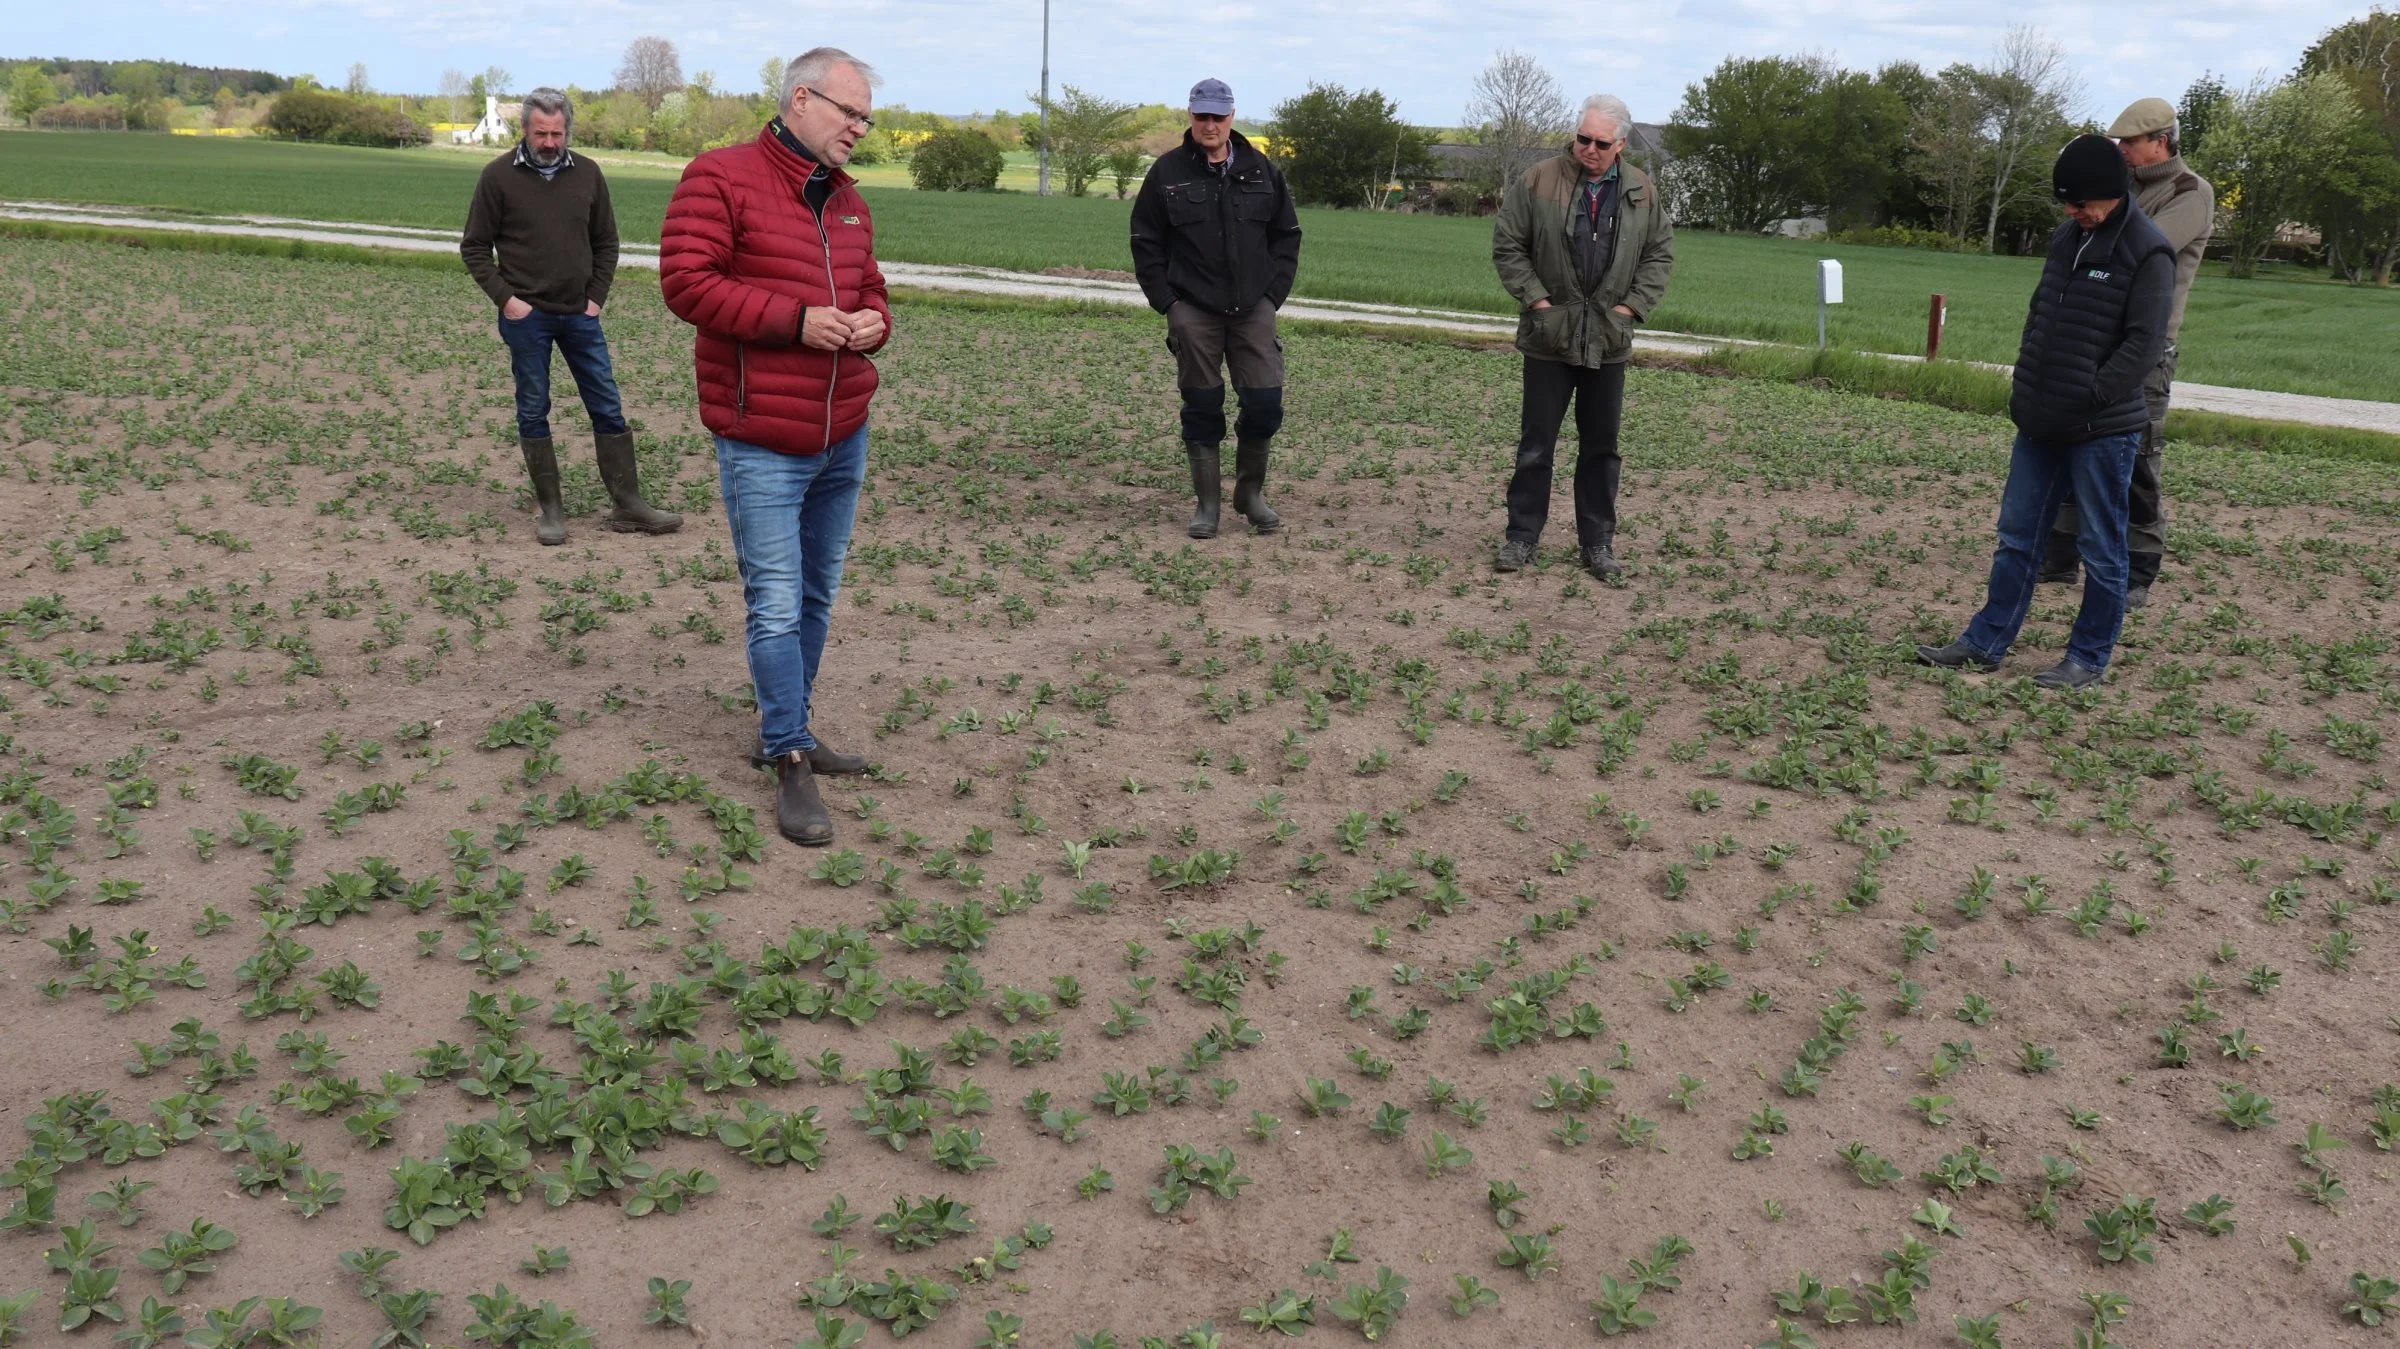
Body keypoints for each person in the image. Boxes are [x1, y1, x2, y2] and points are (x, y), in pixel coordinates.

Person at [658, 48, 891, 847]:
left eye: (866, 118)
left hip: (842, 431)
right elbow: (686, 282)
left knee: (818, 595)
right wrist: (796, 320)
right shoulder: (719, 176)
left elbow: (874, 292)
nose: (860, 129)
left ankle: (791, 723)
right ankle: (788, 752)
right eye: (849, 113)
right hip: (763, 436)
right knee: (778, 600)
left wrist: (872, 326)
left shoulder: (850, 203)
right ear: (801, 99)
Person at [1918, 136, 2175, 691]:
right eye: (2067, 203)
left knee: (2101, 549)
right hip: (2040, 419)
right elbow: (2041, 315)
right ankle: (1984, 642)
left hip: (2100, 430)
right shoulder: (2068, 238)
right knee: (2017, 537)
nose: (2071, 212)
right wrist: (2029, 384)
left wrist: (2093, 396)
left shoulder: (2148, 250)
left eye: (2081, 203)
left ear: (2110, 193)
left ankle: (2088, 658)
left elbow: (2144, 344)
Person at [460, 87, 681, 546]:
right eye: (540, 133)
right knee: (533, 408)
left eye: (557, 134)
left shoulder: (589, 174)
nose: (549, 143)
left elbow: (607, 243)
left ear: (567, 131)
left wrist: (595, 297)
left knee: (606, 404)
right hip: (527, 317)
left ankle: (628, 504)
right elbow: (475, 247)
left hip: (581, 315)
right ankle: (551, 510)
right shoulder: (497, 177)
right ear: (524, 129)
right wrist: (507, 300)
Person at [2038, 97, 2215, 608]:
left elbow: (2135, 252)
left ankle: (2140, 565)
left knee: (2138, 455)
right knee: (2073, 438)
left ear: (2160, 141)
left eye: (2130, 143)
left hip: (2147, 347)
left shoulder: (2190, 193)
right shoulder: (2124, 191)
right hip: (2093, 339)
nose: (2122, 151)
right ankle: (2062, 552)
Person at [1490, 94, 1674, 579]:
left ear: (1621, 144)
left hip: (1609, 340)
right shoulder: (1538, 180)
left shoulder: (1641, 190)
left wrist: (1629, 309)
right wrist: (1539, 304)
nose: (1587, 149)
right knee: (1536, 447)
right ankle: (1521, 539)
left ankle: (1598, 545)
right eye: (1581, 138)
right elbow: (1509, 245)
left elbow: (1659, 256)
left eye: (1599, 142)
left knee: (1601, 448)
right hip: (1549, 336)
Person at [1129, 77, 1303, 539]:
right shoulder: (1167, 173)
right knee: (1203, 407)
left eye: (1217, 116)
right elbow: (1146, 243)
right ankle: (1207, 505)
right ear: (1191, 117)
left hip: (1253, 309)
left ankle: (1250, 495)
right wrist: (1169, 304)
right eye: (1201, 116)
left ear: (1232, 117)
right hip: (1193, 310)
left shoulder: (1262, 171)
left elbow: (1287, 237)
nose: (1209, 124)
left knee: (1265, 403)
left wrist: (1272, 297)